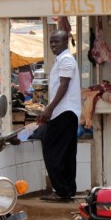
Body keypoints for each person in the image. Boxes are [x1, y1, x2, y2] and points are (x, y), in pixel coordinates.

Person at [37, 30, 81, 201]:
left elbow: (64, 85)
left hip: (64, 111)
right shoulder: (61, 60)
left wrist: (49, 108)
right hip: (65, 112)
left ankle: (62, 190)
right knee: (67, 153)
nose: (53, 45)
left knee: (52, 150)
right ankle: (68, 189)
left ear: (66, 41)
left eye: (57, 41)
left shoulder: (66, 60)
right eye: (51, 42)